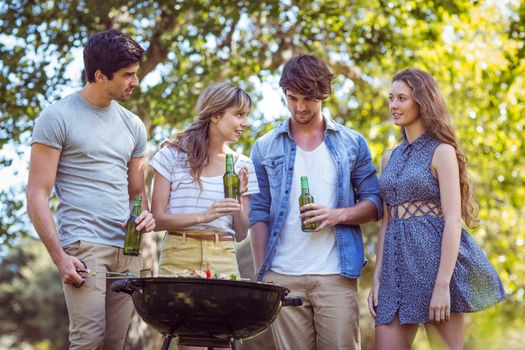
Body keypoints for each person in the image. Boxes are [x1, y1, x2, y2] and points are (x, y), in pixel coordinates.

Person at [26, 29, 155, 349]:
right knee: (88, 340)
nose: (135, 81)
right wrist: (59, 258)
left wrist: (146, 216)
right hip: (84, 247)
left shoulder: (133, 125)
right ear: (100, 75)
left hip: (127, 249)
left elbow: (137, 192)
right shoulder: (57, 117)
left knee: (114, 343)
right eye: (127, 75)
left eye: (135, 73)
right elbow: (37, 193)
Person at [249, 54, 382, 350]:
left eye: (308, 98)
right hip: (283, 275)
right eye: (292, 97)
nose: (299, 107)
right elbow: (258, 212)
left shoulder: (352, 142)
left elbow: (376, 203)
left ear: (324, 93)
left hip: (335, 273)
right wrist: (263, 277)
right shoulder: (264, 147)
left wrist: (339, 215)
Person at [368, 68, 506, 349]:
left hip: (437, 270)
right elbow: (387, 222)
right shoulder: (388, 157)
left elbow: (454, 220)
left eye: (402, 98)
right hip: (396, 272)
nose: (393, 105)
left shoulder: (442, 151)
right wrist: (377, 278)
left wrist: (443, 285)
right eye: (391, 98)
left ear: (422, 101)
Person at [150, 82, 258, 281]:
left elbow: (241, 234)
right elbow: (156, 220)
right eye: (239, 115)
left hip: (223, 256)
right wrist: (205, 216)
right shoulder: (171, 156)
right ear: (215, 115)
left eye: (246, 115)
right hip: (178, 255)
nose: (246, 122)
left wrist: (238, 198)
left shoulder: (243, 165)